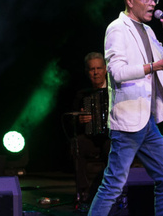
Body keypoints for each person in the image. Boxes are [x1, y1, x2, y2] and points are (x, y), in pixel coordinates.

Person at [88, 0, 163, 216]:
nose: (153, 4)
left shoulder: (148, 29)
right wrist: (155, 65)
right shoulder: (116, 29)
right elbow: (116, 72)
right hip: (128, 123)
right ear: (130, 1)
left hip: (148, 121)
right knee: (113, 185)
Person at [70, 52, 110, 210]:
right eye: (92, 69)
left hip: (110, 137)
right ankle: (84, 192)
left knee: (112, 148)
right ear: (87, 72)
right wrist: (80, 120)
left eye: (99, 68)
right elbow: (72, 120)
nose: (95, 72)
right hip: (91, 138)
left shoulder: (114, 91)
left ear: (105, 69)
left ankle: (106, 191)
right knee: (76, 144)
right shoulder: (83, 94)